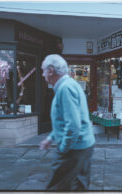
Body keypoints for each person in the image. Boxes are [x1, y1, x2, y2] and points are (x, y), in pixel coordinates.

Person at [39, 54, 95, 191]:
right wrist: (51, 138)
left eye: (43, 70)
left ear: (51, 70)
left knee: (57, 187)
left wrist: (63, 149)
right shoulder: (69, 84)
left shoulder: (65, 88)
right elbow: (63, 120)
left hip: (74, 148)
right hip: (83, 146)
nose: (42, 74)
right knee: (79, 187)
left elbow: (73, 125)